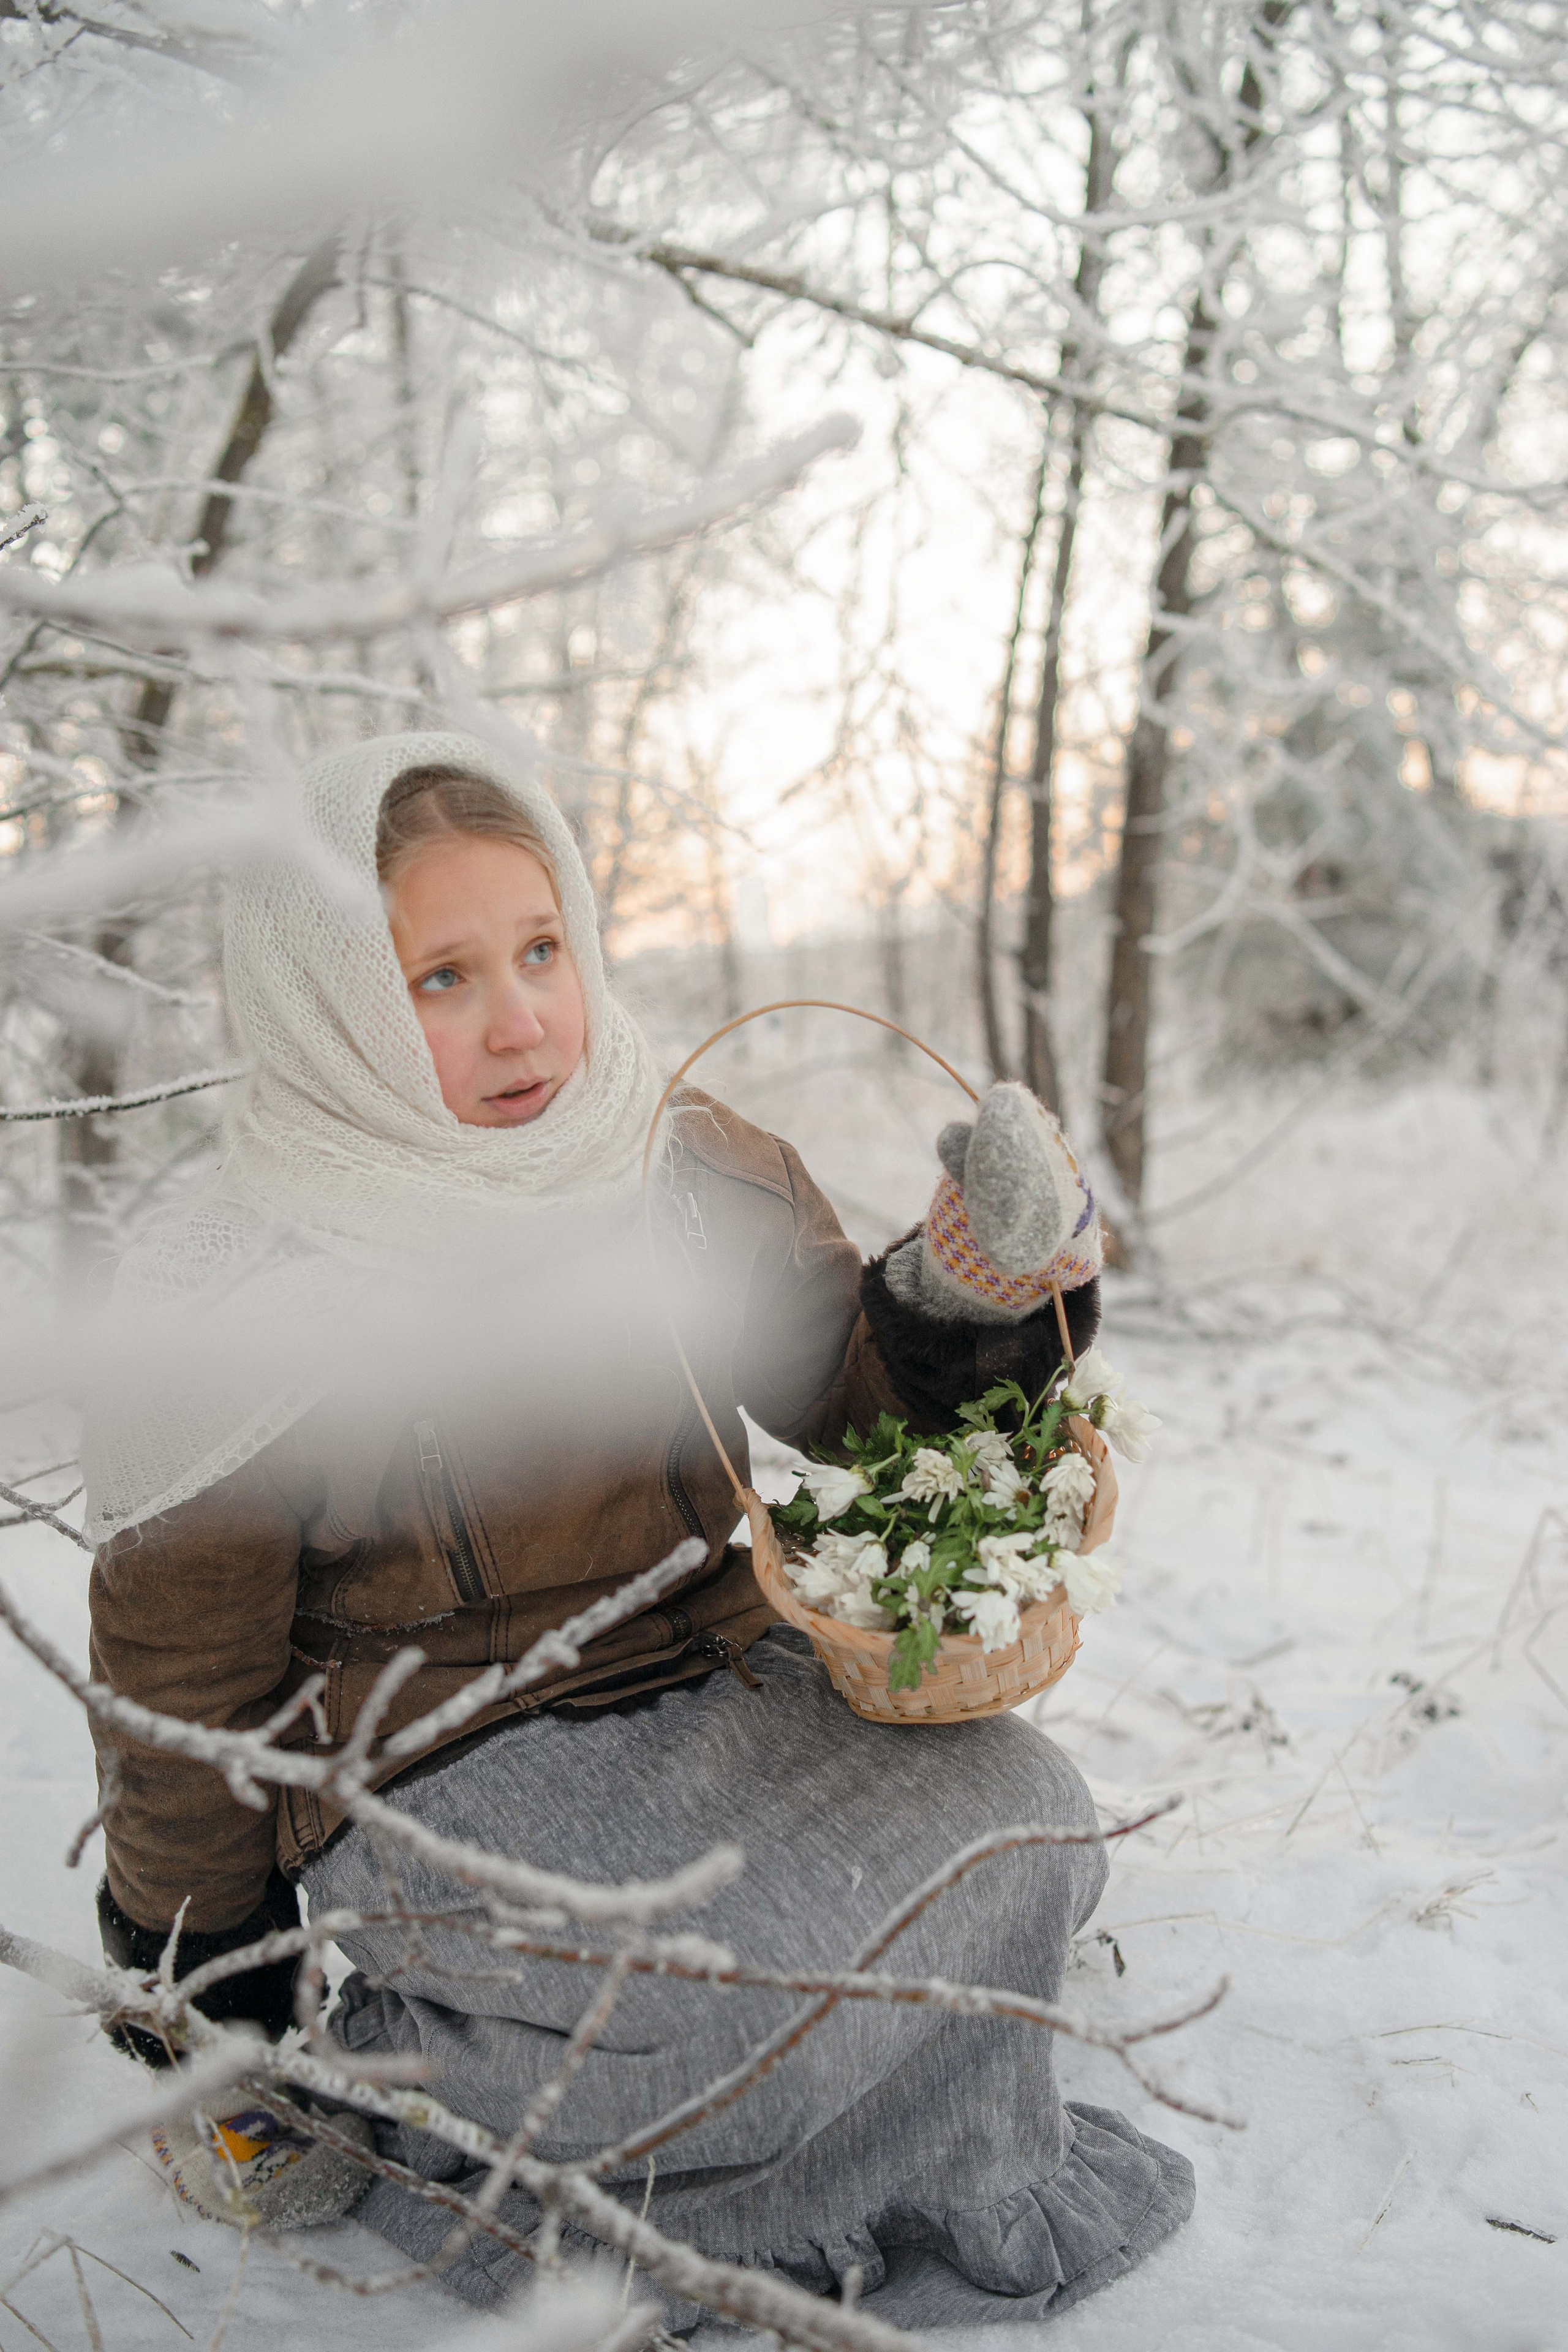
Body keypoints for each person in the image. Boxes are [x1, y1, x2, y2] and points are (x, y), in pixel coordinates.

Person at [85, 730, 1194, 2327]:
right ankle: (392, 2097)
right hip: (445, 1761)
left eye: (540, 949)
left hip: (727, 1689)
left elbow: (850, 1425)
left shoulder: (690, 1168)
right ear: (329, 1002)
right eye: (439, 979)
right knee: (690, 2015)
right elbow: (182, 1675)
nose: (522, 1015)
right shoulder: (246, 1287)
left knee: (1036, 1826)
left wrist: (968, 1294)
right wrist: (205, 1961)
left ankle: (844, 2097)